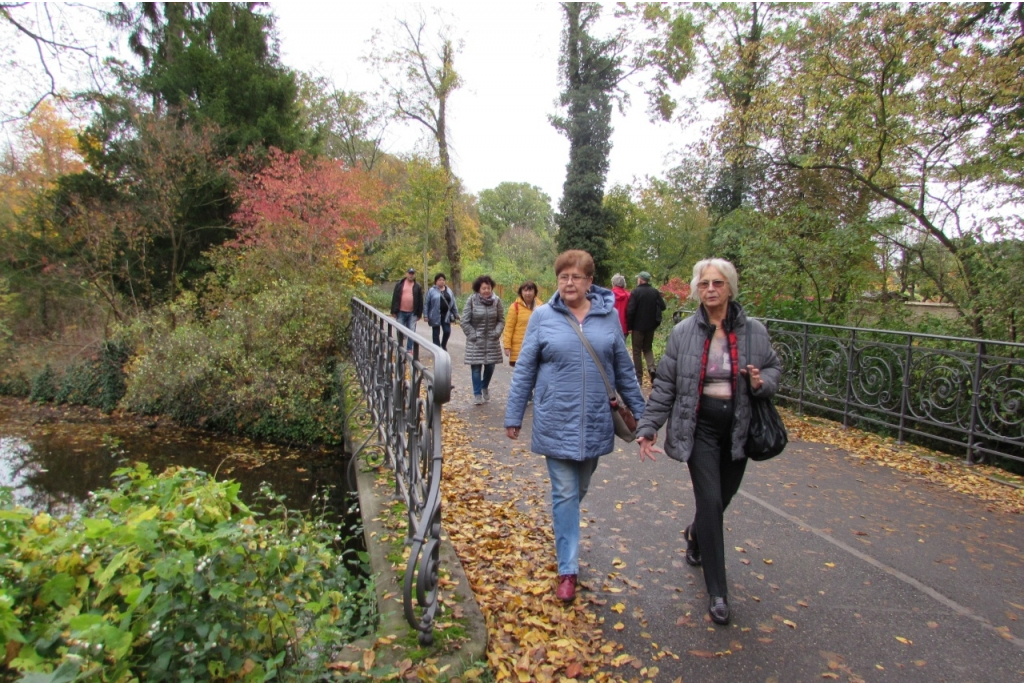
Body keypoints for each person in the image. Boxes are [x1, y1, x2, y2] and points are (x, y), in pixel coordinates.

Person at [636, 258, 782, 626]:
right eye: (704, 284)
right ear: (696, 290)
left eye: (718, 283)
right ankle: (718, 592)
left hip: (739, 429)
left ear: (730, 287)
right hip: (698, 427)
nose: (711, 290)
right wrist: (649, 426)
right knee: (711, 500)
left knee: (721, 500)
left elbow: (774, 368)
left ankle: (694, 534)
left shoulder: (755, 332)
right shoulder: (684, 332)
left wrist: (762, 381)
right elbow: (666, 383)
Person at [505, 250, 645, 603]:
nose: (569, 282)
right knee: (565, 493)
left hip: (596, 419)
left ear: (589, 281)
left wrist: (643, 418)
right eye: (563, 276)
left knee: (577, 489)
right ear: (557, 281)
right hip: (555, 418)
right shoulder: (542, 317)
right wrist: (513, 414)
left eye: (577, 277)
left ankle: (562, 524)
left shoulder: (608, 316)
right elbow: (524, 369)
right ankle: (568, 570)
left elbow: (624, 370)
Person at [461, 275, 505, 405]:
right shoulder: (472, 301)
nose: (486, 290)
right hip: (476, 341)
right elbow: (464, 321)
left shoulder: (497, 301)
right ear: (478, 289)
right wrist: (473, 335)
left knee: (490, 366)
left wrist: (496, 333)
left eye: (488, 288)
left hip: (491, 340)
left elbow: (501, 320)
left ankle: (484, 386)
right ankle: (477, 394)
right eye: (483, 288)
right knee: (476, 368)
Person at [626, 271, 667, 385]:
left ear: (640, 280)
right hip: (651, 326)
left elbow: (631, 310)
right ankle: (652, 368)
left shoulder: (636, 292)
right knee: (648, 348)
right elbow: (663, 307)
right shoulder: (654, 292)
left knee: (637, 351)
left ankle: (639, 378)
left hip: (638, 327)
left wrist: (629, 326)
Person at [503, 281, 538, 367]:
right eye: (525, 291)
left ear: (534, 292)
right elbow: (509, 328)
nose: (528, 293)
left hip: (536, 347)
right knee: (521, 377)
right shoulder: (515, 307)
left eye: (530, 290)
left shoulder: (541, 307)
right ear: (521, 292)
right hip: (519, 348)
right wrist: (507, 346)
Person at [390, 268, 423, 351]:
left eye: (412, 273)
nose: (411, 275)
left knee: (411, 331)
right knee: (399, 330)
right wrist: (393, 311)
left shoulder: (417, 286)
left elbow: (420, 300)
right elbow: (395, 297)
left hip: (412, 312)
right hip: (401, 311)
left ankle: (409, 349)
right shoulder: (400, 284)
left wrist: (419, 314)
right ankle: (400, 347)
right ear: (406, 274)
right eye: (409, 273)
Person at [425, 273, 459, 351]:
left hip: (446, 315)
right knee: (436, 333)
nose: (442, 281)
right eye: (439, 280)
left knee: (447, 331)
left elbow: (453, 302)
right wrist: (426, 315)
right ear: (436, 281)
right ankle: (437, 349)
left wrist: (456, 313)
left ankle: (443, 345)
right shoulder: (431, 291)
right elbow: (427, 303)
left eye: (443, 280)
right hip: (435, 314)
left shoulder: (449, 290)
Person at [610, 273, 630, 337]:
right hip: (624, 327)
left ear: (613, 283)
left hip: (610, 327)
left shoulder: (609, 295)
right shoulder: (628, 296)